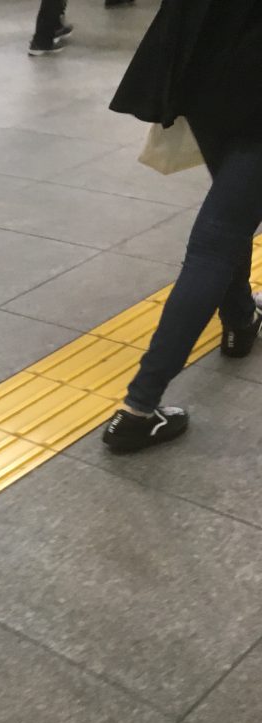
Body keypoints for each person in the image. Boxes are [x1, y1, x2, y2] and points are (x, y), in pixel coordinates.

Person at [102, 0, 262, 452]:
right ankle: (139, 409)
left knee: (229, 219)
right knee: (217, 240)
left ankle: (239, 320)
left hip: (207, 79)